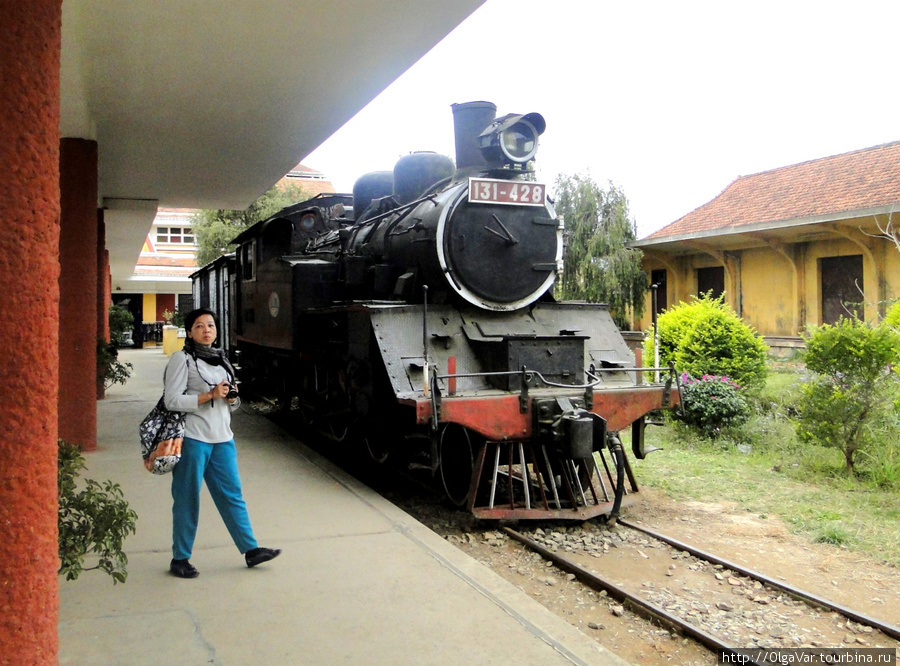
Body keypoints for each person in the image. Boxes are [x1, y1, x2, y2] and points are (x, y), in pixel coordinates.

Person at [162, 307, 280, 578]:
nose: (207, 331)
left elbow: (233, 404)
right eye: (200, 326)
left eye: (211, 326)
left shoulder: (222, 359)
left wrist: (231, 399)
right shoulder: (182, 359)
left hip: (223, 438)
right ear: (190, 332)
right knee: (187, 499)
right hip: (193, 438)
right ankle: (180, 558)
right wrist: (208, 396)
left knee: (232, 496)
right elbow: (171, 400)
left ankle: (251, 550)